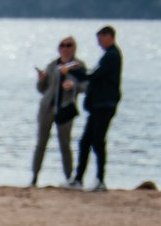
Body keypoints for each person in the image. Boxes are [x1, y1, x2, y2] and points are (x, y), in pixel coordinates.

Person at [30, 35, 85, 188]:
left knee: (65, 145)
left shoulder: (78, 66)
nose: (65, 48)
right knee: (41, 142)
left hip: (65, 109)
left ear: (74, 48)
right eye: (63, 45)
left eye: (69, 45)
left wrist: (73, 86)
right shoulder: (52, 65)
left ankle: (69, 178)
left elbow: (86, 84)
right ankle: (34, 177)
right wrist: (41, 79)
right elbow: (42, 89)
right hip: (47, 108)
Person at [78, 26, 122, 192]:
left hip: (105, 105)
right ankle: (78, 178)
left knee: (97, 141)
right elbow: (94, 75)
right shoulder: (109, 55)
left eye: (100, 39)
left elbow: (95, 75)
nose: (99, 43)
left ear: (109, 37)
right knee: (86, 141)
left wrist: (78, 72)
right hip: (98, 105)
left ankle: (100, 180)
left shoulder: (112, 56)